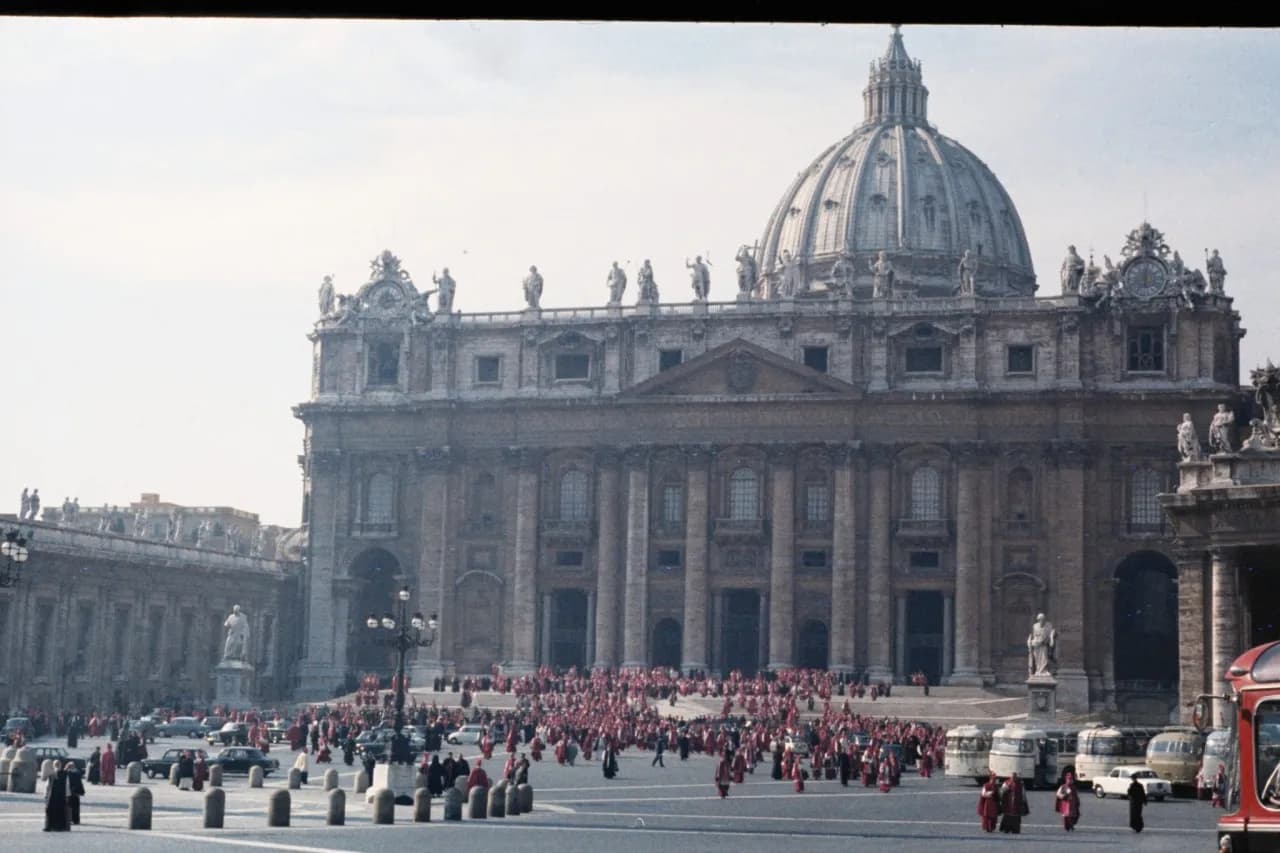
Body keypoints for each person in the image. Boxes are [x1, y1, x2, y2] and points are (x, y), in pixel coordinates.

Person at [44, 762, 71, 832]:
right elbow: (67, 786)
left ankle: (49, 826)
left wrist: (46, 795)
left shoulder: (51, 774)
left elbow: (47, 786)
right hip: (61, 796)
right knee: (60, 811)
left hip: (52, 796)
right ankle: (59, 826)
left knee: (50, 811)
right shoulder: (65, 775)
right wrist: (67, 796)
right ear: (60, 766)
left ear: (53, 766)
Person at [66, 761, 85, 825]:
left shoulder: (67, 773)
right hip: (76, 792)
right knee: (76, 807)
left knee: (69, 806)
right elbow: (80, 783)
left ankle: (70, 819)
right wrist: (81, 791)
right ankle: (76, 820)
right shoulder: (77, 773)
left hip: (70, 792)